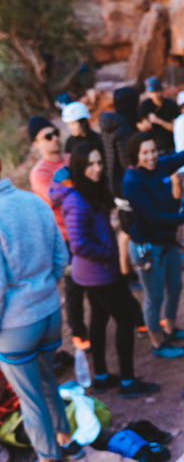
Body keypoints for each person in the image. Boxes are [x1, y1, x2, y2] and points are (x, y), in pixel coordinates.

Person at [0, 160, 84, 462]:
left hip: (16, 325)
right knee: (48, 380)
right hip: (50, 312)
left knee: (30, 397)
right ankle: (67, 441)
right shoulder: (32, 200)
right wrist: (43, 290)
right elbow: (61, 257)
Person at [51, 143, 159, 399]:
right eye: (91, 164)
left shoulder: (87, 192)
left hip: (94, 273)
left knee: (98, 319)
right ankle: (128, 381)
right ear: (79, 167)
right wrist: (108, 254)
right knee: (124, 319)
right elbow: (78, 244)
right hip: (99, 274)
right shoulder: (77, 200)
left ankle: (100, 376)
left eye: (99, 162)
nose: (97, 168)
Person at [122, 103, 184, 358]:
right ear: (135, 155)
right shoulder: (132, 182)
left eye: (153, 151)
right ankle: (157, 342)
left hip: (166, 243)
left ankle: (172, 328)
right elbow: (152, 218)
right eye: (145, 153)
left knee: (174, 287)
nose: (151, 157)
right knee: (154, 296)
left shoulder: (162, 166)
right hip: (148, 248)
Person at [28, 115, 89, 351]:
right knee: (73, 285)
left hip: (88, 226)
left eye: (56, 133)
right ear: (36, 143)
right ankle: (79, 332)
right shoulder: (39, 173)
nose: (55, 139)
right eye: (47, 136)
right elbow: (55, 200)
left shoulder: (71, 158)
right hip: (65, 236)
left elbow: (88, 185)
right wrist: (75, 184)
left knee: (103, 275)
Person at [99, 86, 142, 280]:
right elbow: (128, 161)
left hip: (114, 184)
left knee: (126, 227)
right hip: (126, 185)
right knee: (130, 228)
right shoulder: (124, 128)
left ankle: (126, 268)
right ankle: (129, 270)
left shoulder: (109, 126)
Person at [138, 77, 180, 154]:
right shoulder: (145, 105)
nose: (155, 95)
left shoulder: (170, 105)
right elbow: (141, 126)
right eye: (152, 92)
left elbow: (176, 128)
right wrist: (147, 123)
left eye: (157, 91)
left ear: (162, 91)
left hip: (170, 145)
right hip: (153, 147)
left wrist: (158, 121)